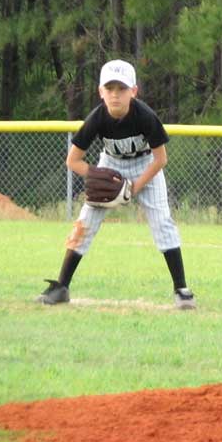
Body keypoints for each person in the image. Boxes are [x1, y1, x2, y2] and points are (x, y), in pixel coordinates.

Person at [37, 59, 196, 310]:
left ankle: (181, 290)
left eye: (121, 89)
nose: (115, 95)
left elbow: (161, 159)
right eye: (109, 89)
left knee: (163, 222)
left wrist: (134, 188)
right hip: (110, 165)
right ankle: (62, 287)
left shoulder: (144, 115)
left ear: (133, 91)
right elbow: (73, 161)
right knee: (85, 222)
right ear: (100, 92)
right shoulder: (97, 118)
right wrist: (98, 175)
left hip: (146, 167)